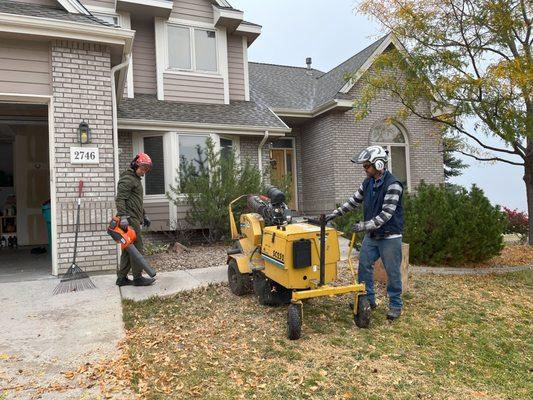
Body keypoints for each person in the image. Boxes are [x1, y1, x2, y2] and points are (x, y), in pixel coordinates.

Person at [326, 145, 404, 320]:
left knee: (392, 272)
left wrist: (364, 225)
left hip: (390, 236)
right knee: (364, 267)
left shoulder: (393, 185)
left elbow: (386, 214)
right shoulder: (367, 183)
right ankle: (368, 300)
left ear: (378, 164)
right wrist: (335, 214)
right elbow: (353, 201)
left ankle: (396, 305)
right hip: (372, 236)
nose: (364, 169)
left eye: (367, 166)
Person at [115, 152, 155, 287]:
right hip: (129, 220)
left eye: (146, 170)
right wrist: (123, 217)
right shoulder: (128, 179)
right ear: (135, 164)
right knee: (137, 248)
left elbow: (136, 201)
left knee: (128, 249)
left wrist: (144, 215)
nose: (144, 172)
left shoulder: (135, 179)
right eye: (142, 168)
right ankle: (137, 278)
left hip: (134, 218)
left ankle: (121, 278)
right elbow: (120, 199)